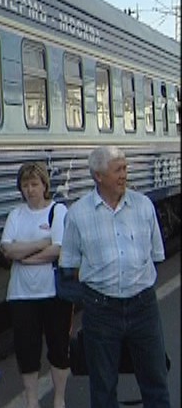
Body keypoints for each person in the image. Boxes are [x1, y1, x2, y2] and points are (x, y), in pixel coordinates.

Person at [59, 146, 170, 408]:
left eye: (125, 168)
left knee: (155, 381)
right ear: (98, 176)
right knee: (103, 386)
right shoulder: (78, 214)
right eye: (118, 169)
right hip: (101, 310)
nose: (124, 174)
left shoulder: (143, 206)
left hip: (143, 306)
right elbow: (70, 264)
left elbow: (155, 254)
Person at [0, 162, 72, 408]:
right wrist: (42, 243)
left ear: (44, 186)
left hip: (53, 292)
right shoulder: (16, 215)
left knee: (58, 347)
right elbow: (8, 249)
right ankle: (32, 401)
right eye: (25, 185)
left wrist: (26, 258)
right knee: (26, 350)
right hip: (21, 295)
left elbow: (58, 249)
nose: (30, 189)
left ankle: (59, 399)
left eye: (34, 184)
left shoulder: (57, 211)